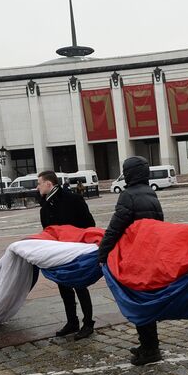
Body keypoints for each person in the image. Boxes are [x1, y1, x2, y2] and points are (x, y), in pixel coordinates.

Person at [98, 156, 164, 364]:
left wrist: (103, 252)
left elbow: (116, 227)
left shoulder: (128, 195)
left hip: (136, 258)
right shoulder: (150, 193)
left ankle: (150, 350)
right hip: (149, 255)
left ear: (130, 173)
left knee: (138, 302)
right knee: (145, 301)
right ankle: (149, 345)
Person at [37, 170, 97, 340]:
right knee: (63, 285)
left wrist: (76, 239)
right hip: (58, 252)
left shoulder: (73, 199)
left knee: (80, 286)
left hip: (75, 251)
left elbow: (89, 224)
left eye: (39, 183)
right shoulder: (45, 206)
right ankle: (72, 321)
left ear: (49, 184)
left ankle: (88, 323)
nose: (37, 187)